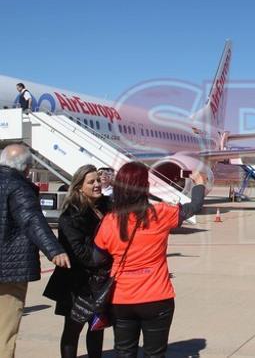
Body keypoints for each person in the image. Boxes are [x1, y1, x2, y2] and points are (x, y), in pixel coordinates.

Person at [94, 162, 205, 357]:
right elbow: (194, 207)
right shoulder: (161, 213)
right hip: (157, 296)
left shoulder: (110, 221)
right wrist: (199, 183)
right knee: (155, 354)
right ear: (145, 187)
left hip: (122, 297)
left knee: (124, 352)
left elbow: (97, 258)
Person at [0, 144, 70, 358]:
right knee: (5, 329)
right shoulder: (18, 185)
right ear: (27, 168)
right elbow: (31, 219)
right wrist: (54, 250)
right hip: (9, 268)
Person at [43, 165, 111, 358]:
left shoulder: (107, 206)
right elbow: (80, 253)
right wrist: (109, 254)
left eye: (98, 180)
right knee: (73, 330)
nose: (97, 184)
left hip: (102, 280)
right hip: (77, 282)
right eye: (91, 182)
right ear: (80, 187)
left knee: (97, 327)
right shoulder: (71, 215)